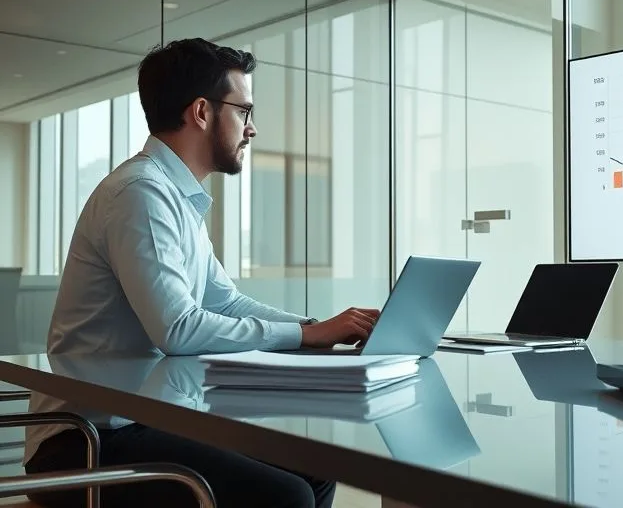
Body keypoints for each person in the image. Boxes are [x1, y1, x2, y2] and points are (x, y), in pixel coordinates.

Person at [24, 38, 377, 507]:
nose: (252, 129)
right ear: (202, 112)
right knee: (286, 495)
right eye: (244, 111)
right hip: (85, 442)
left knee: (315, 471)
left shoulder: (175, 197)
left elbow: (225, 301)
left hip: (144, 422)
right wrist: (303, 337)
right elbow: (177, 328)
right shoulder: (140, 194)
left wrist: (312, 329)